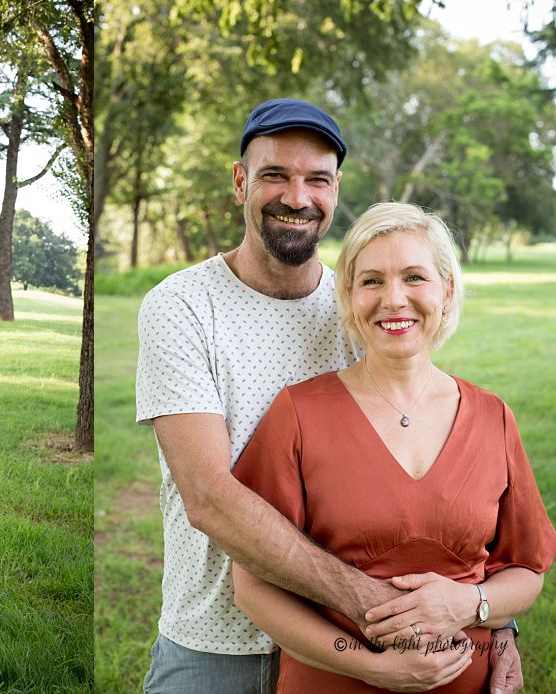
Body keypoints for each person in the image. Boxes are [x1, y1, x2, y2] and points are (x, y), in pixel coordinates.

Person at [135, 98, 522, 694]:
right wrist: (384, 611)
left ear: (336, 189)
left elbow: (454, 488)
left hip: (343, 648)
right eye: (274, 175)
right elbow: (209, 497)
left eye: (316, 178)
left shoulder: (362, 306)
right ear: (240, 181)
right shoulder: (183, 306)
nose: (297, 196)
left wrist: (491, 618)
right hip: (220, 643)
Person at [231, 201, 556, 692]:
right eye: (373, 281)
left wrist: (472, 605)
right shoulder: (298, 414)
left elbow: (526, 570)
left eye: (414, 277)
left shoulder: (493, 416)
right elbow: (253, 586)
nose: (394, 299)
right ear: (349, 296)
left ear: (446, 292)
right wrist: (372, 667)